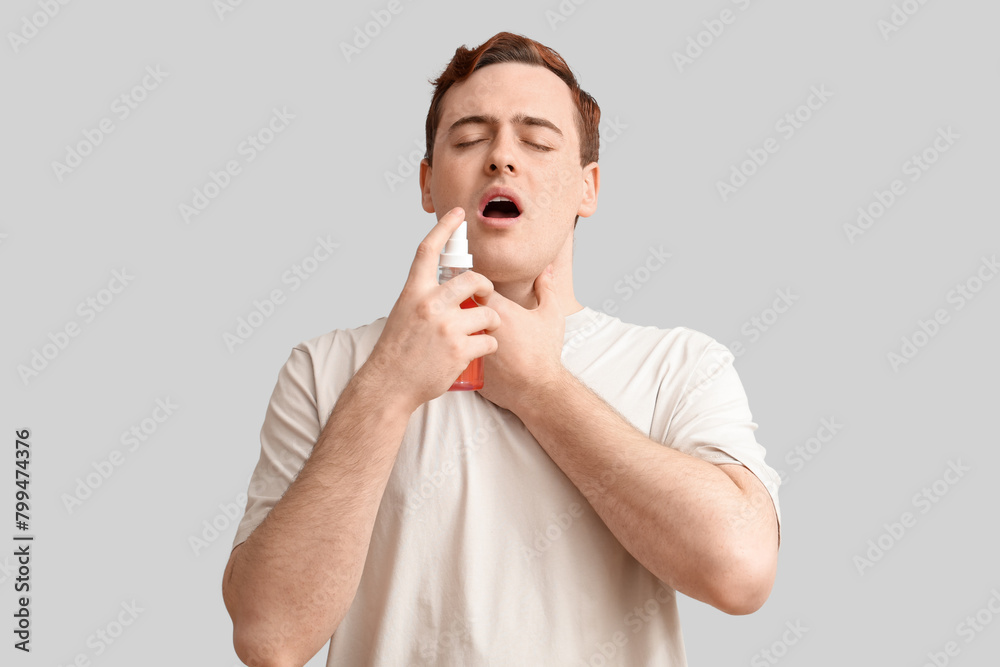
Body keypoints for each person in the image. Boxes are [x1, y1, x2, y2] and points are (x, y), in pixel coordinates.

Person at [222, 31, 781, 667]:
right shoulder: (327, 371)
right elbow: (268, 637)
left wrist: (542, 388)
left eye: (538, 141)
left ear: (587, 188)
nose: (502, 159)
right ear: (429, 185)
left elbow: (741, 573)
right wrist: (388, 386)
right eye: (469, 139)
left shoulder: (677, 368)